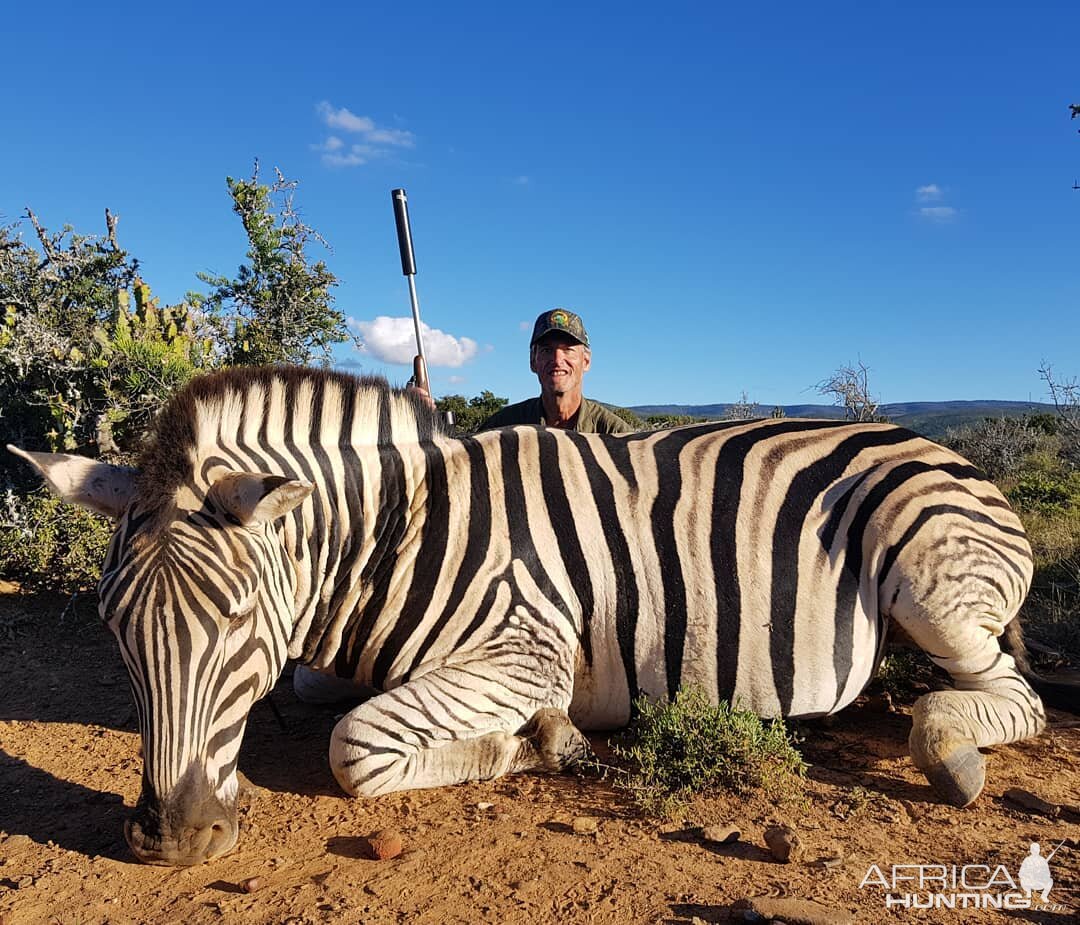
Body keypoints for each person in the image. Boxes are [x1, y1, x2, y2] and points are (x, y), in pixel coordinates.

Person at [478, 308, 633, 434]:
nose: (557, 360)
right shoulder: (502, 428)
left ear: (586, 361)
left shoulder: (615, 433)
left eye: (568, 350)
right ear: (533, 361)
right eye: (547, 350)